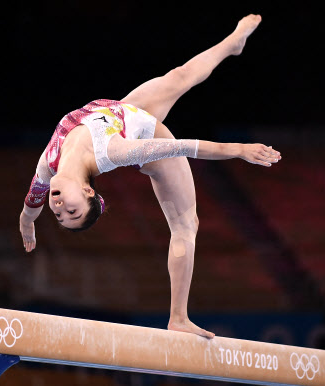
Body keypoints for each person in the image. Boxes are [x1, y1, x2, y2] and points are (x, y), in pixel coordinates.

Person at [19, 14, 280, 339]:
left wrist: (29, 225)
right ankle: (178, 317)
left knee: (181, 75)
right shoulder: (114, 152)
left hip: (128, 111)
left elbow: (31, 203)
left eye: (59, 215)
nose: (58, 209)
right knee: (186, 225)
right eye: (71, 212)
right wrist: (238, 149)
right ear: (88, 192)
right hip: (142, 132)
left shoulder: (49, 163)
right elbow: (184, 147)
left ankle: (233, 43)